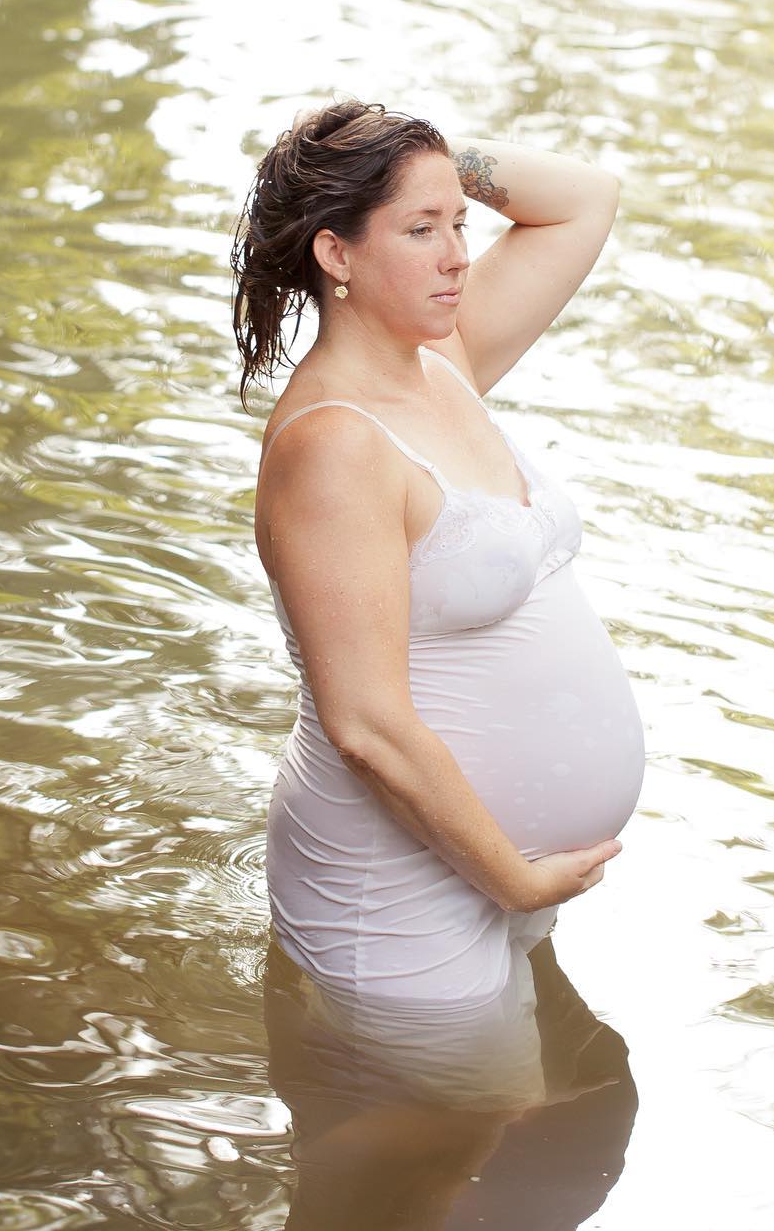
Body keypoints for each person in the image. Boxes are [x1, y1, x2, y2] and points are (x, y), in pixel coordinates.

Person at [231, 97, 646, 1017]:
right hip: (395, 896)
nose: (459, 254)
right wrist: (517, 880)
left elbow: (585, 198)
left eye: (459, 221)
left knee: (515, 1135)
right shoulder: (334, 443)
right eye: (421, 230)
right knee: (445, 1139)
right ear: (335, 255)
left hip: (489, 873)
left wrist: (419, 166)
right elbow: (365, 723)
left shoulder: (440, 358)